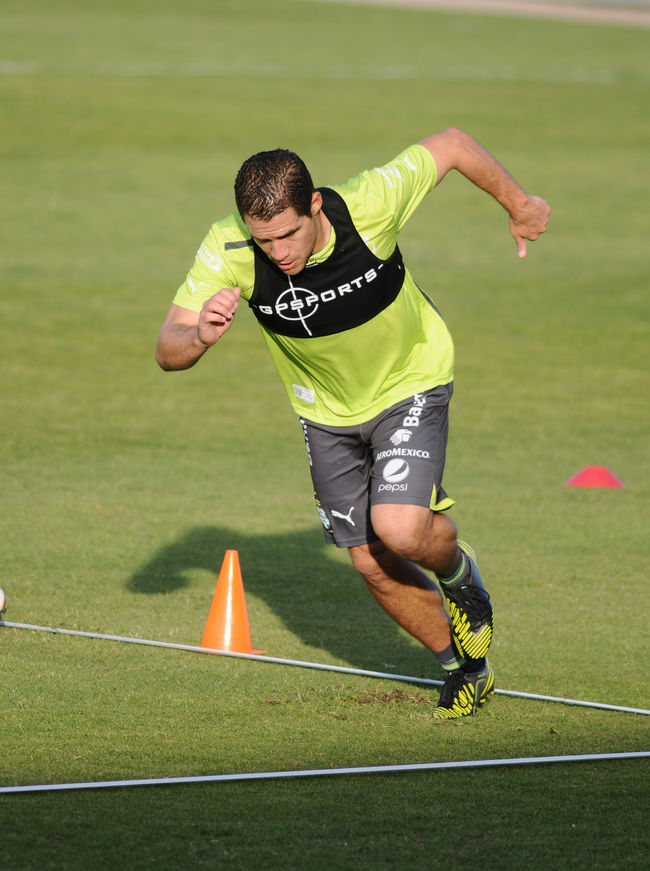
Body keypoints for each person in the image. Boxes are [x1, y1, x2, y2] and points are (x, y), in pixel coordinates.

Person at [156, 127, 550, 719]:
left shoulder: (370, 205)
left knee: (401, 529)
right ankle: (466, 669)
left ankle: (460, 574)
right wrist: (201, 336)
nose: (278, 252)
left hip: (410, 380)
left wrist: (519, 205)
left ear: (314, 205)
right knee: (369, 561)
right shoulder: (228, 247)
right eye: (265, 240)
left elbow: (452, 145)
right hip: (324, 412)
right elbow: (168, 348)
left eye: (288, 234)